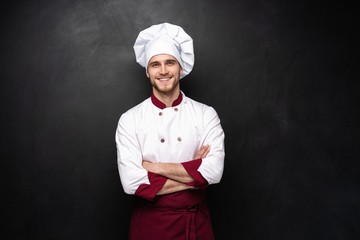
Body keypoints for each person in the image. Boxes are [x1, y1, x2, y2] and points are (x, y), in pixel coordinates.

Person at [115, 22, 225, 240]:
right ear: (147, 71)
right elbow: (131, 183)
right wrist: (194, 174)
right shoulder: (130, 120)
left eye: (170, 63)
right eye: (155, 64)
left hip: (195, 225)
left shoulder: (205, 114)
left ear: (180, 67)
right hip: (150, 226)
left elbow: (213, 172)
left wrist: (152, 167)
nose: (163, 71)